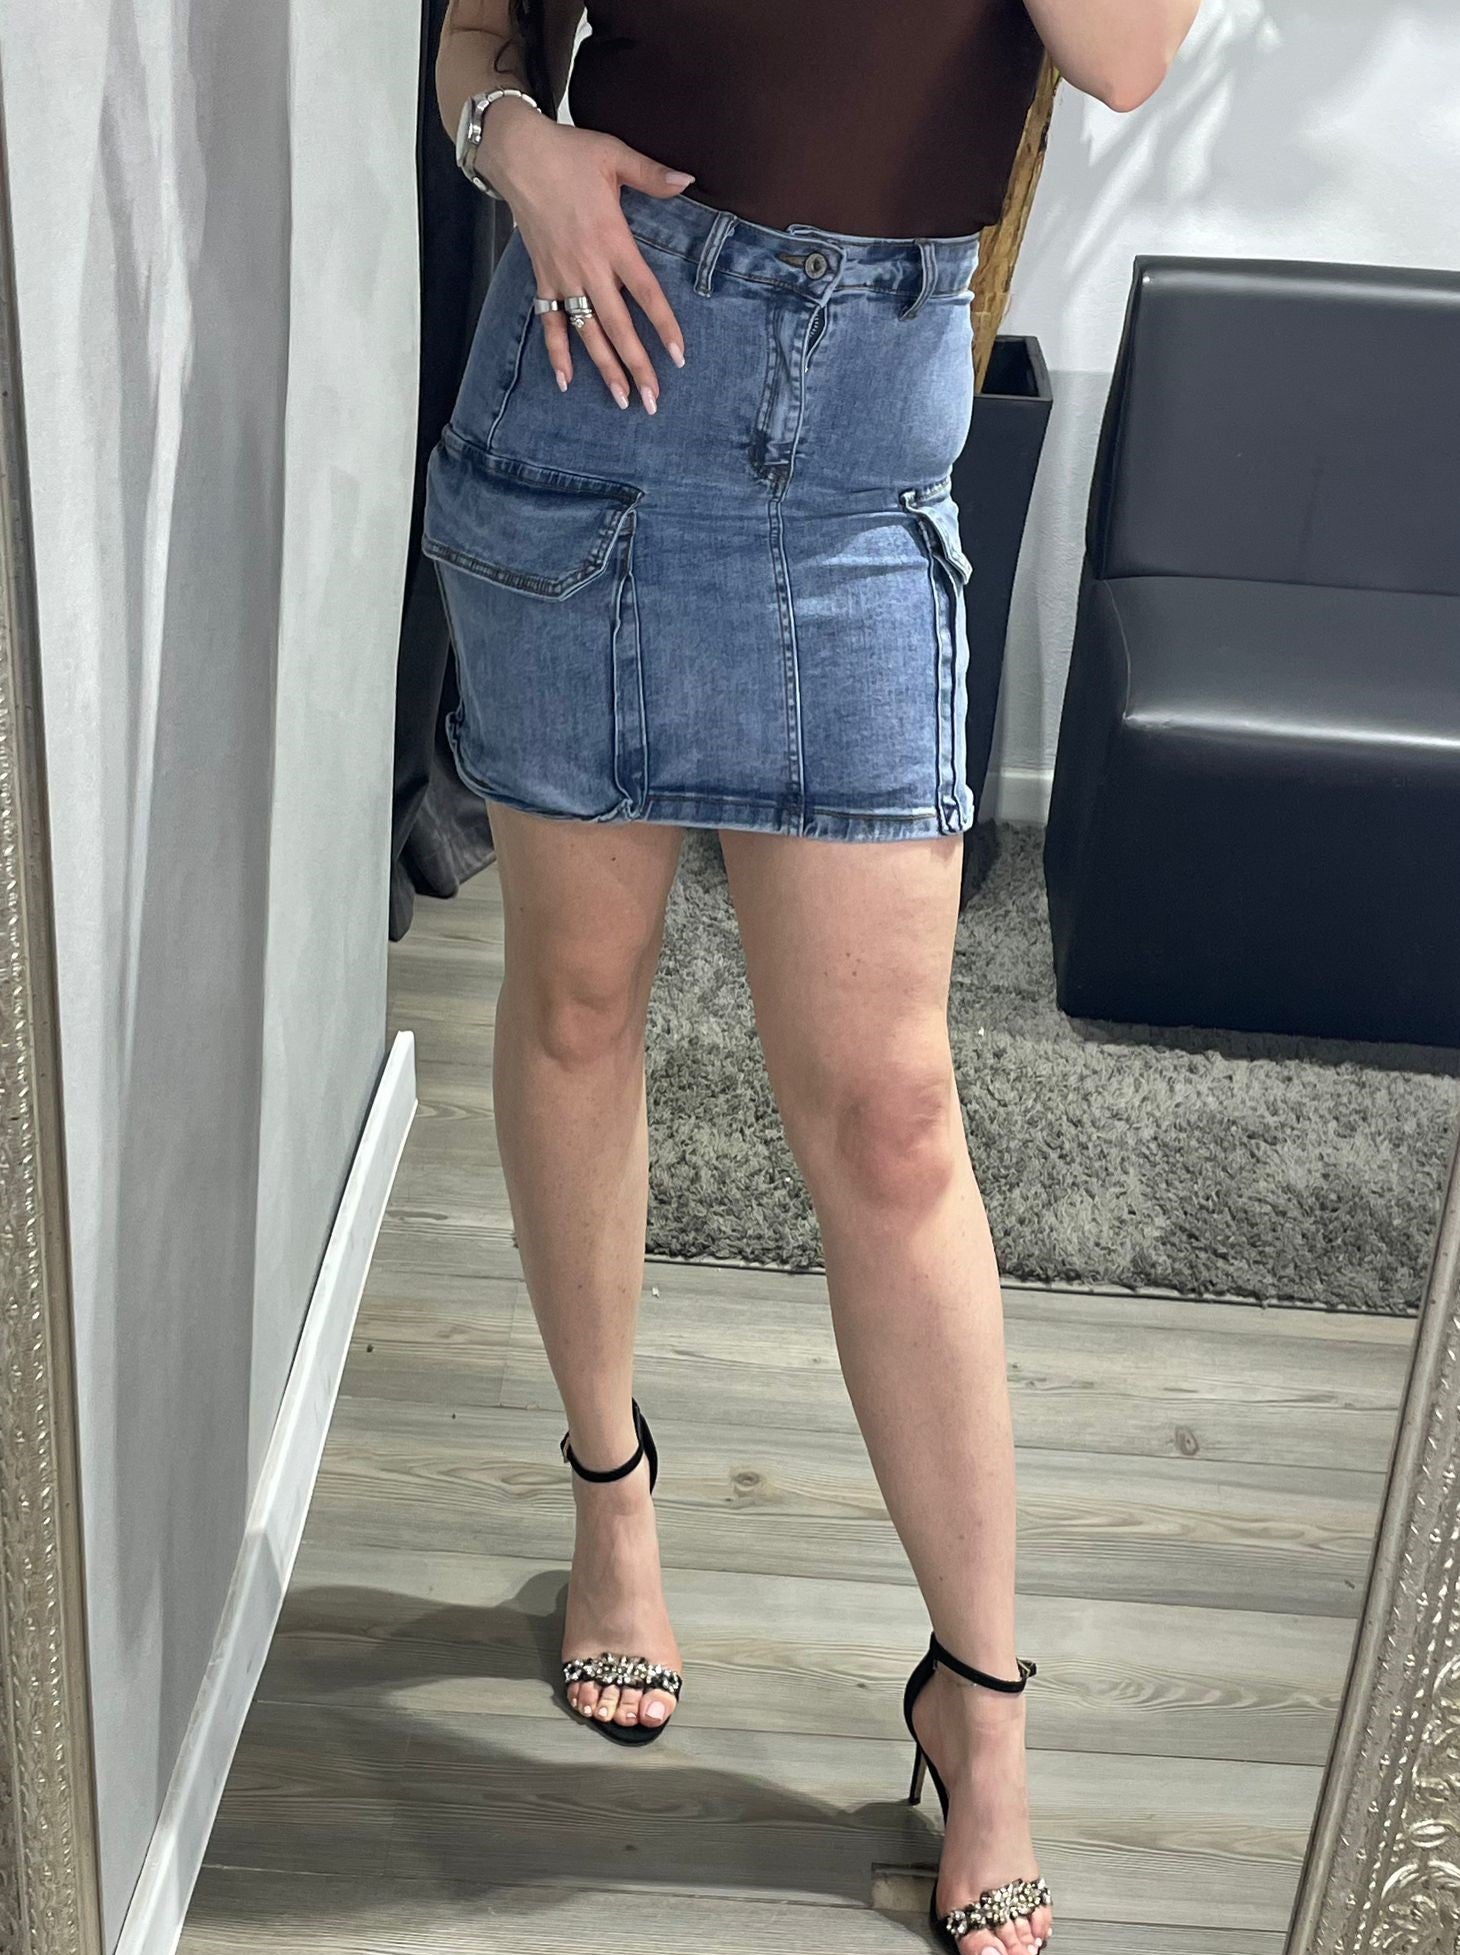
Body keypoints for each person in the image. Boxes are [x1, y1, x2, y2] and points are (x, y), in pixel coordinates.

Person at [428, 5, 1199, 1948]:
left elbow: (1126, 56)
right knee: (577, 1004)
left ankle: (980, 1697)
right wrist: (513, 141)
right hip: (590, 388)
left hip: (864, 449)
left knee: (893, 1118)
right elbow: (480, 29)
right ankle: (610, 1490)